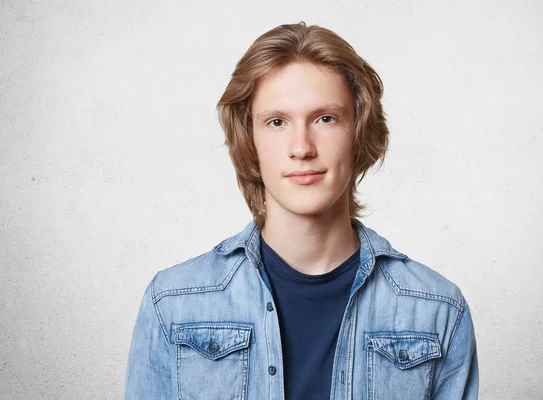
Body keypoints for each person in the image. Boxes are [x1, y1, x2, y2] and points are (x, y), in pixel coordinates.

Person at [124, 22, 478, 400]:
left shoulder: (437, 311)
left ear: (358, 132)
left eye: (325, 118)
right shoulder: (174, 303)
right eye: (277, 122)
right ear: (250, 140)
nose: (301, 147)